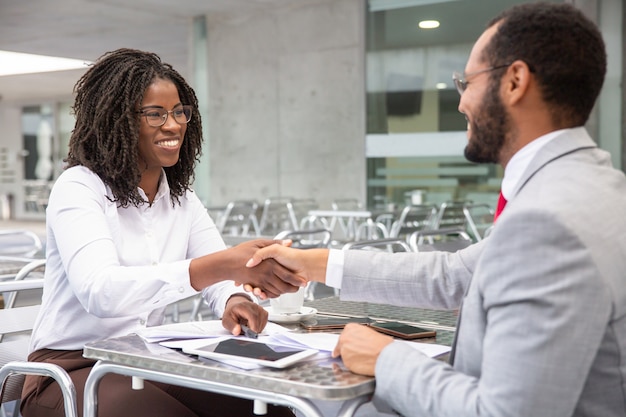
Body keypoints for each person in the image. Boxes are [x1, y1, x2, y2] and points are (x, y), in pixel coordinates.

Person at [247, 3, 626, 417]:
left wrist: (386, 357)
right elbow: (454, 276)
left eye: (467, 81)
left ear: (515, 81)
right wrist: (311, 263)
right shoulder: (601, 189)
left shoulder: (546, 222)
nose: (461, 101)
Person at [21, 48, 303, 417]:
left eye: (178, 112)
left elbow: (220, 277)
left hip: (144, 359)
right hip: (70, 370)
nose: (173, 125)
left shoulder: (181, 198)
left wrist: (234, 301)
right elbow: (102, 292)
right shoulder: (79, 188)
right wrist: (222, 265)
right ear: (115, 120)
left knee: (265, 407)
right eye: (154, 114)